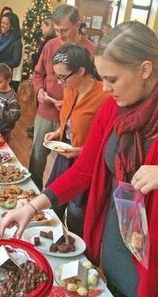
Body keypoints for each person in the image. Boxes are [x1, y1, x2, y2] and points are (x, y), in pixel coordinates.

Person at [1, 21, 158, 296]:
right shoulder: (115, 106)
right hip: (114, 252)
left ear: (144, 69)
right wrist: (34, 206)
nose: (105, 89)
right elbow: (84, 170)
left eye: (112, 79)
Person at [43, 43, 109, 237]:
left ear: (81, 71)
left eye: (62, 77)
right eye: (57, 76)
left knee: (76, 214)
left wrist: (81, 151)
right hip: (65, 157)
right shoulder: (70, 89)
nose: (59, 82)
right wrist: (59, 133)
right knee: (53, 207)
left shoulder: (104, 97)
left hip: (86, 163)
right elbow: (70, 120)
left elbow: (106, 142)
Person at [28, 4, 96, 190]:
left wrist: (70, 103)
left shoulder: (91, 51)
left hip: (74, 118)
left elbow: (93, 88)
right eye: (57, 30)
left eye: (64, 30)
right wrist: (40, 91)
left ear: (78, 24)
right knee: (37, 158)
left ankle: (57, 197)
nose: (60, 35)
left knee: (64, 164)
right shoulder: (51, 45)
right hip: (46, 112)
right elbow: (37, 74)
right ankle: (33, 195)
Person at [27, 16, 56, 137]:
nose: (41, 28)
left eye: (43, 26)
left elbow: (40, 58)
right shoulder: (48, 41)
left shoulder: (50, 41)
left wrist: (33, 55)